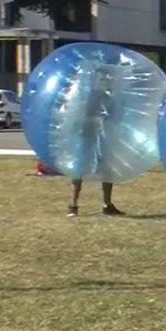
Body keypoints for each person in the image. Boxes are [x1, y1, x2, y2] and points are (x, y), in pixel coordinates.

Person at [68, 67, 124, 218]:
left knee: (106, 170)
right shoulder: (88, 95)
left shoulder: (108, 97)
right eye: (103, 78)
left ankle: (106, 205)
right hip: (87, 136)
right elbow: (78, 115)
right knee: (79, 169)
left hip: (101, 136)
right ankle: (73, 205)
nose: (106, 81)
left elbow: (115, 116)